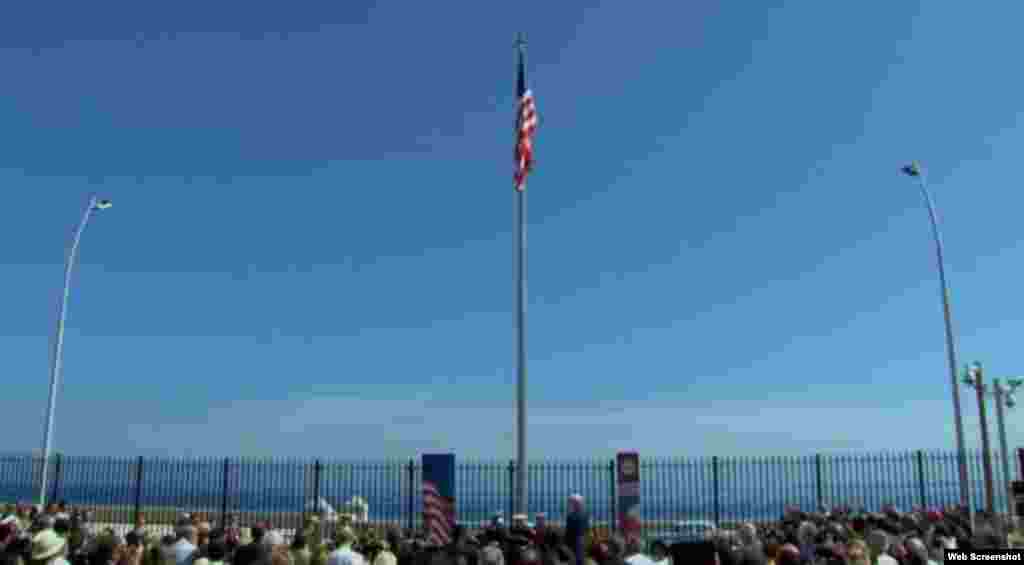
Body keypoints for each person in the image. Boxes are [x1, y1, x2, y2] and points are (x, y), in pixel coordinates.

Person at [564, 496, 588, 565]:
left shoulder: (580, 515)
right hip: (575, 540)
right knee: (574, 559)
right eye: (574, 503)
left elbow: (583, 528)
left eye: (575, 503)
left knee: (578, 559)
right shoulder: (573, 515)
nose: (574, 505)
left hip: (578, 540)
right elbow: (568, 530)